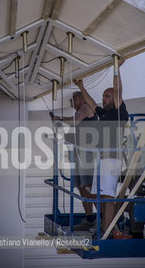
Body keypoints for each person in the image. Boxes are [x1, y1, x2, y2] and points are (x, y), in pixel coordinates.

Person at [74, 59, 133, 239]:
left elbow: (118, 90)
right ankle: (107, 229)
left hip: (111, 159)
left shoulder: (118, 111)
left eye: (106, 96)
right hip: (101, 159)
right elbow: (92, 104)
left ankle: (108, 231)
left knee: (107, 197)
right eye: (103, 96)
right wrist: (82, 87)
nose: (103, 99)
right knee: (101, 197)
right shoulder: (105, 113)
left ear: (114, 98)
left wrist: (116, 70)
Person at [52, 91, 98, 231]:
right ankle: (90, 218)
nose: (71, 103)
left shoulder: (86, 107)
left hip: (87, 154)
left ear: (80, 98)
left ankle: (101, 218)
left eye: (73, 99)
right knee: (80, 186)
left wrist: (58, 118)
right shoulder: (80, 114)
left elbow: (75, 120)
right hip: (78, 152)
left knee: (88, 186)